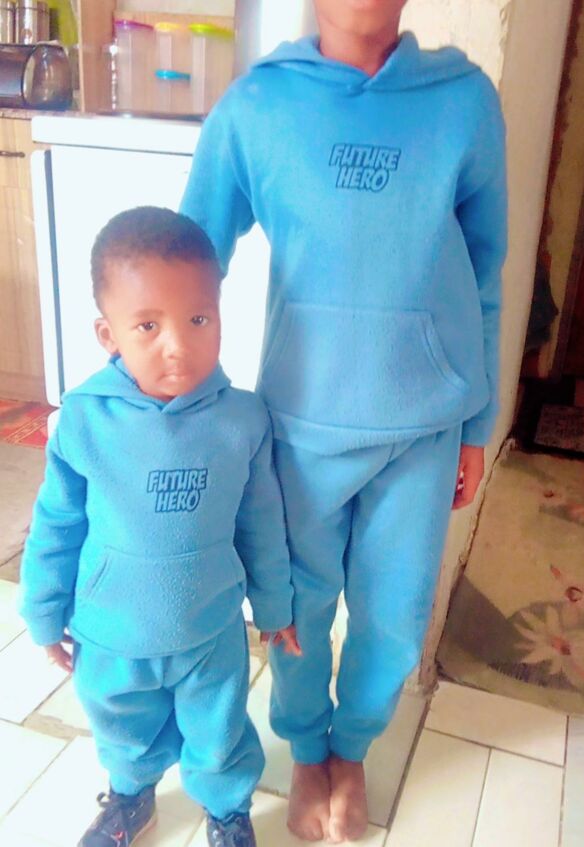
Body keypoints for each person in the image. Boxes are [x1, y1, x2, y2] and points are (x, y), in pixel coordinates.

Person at [181, 0, 508, 842]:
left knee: (393, 614)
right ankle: (306, 748)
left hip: (425, 426)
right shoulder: (257, 107)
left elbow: (486, 269)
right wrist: (177, 410)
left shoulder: (464, 102)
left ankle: (352, 749)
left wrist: (479, 421)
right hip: (299, 427)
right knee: (294, 604)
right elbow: (187, 262)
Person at [19, 207, 301, 847]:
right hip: (111, 632)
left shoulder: (243, 420)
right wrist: (43, 610)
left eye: (199, 319)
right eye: (148, 325)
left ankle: (226, 811)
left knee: (220, 732)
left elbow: (261, 521)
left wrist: (276, 606)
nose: (178, 344)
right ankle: (130, 797)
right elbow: (56, 525)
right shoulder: (83, 421)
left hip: (210, 630)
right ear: (108, 334)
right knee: (122, 730)